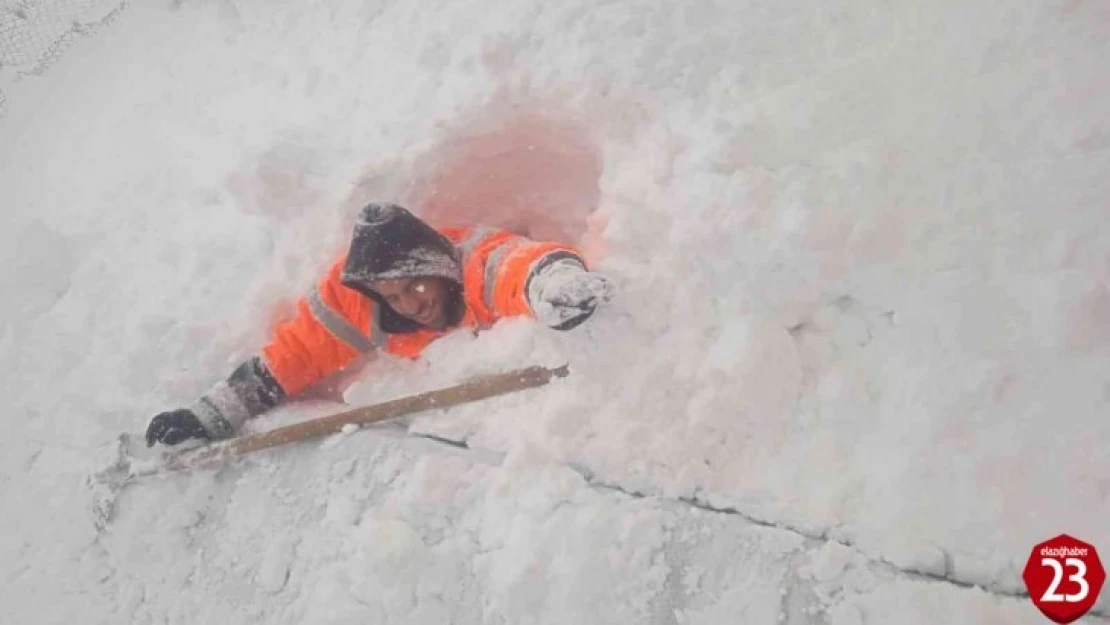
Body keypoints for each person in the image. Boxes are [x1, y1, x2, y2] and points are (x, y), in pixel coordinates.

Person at [145, 202, 614, 447]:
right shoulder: (358, 303)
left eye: (416, 287)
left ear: (438, 266)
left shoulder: (474, 264)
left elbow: (518, 266)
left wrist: (553, 284)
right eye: (393, 297)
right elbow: (295, 356)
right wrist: (211, 414)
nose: (411, 305)